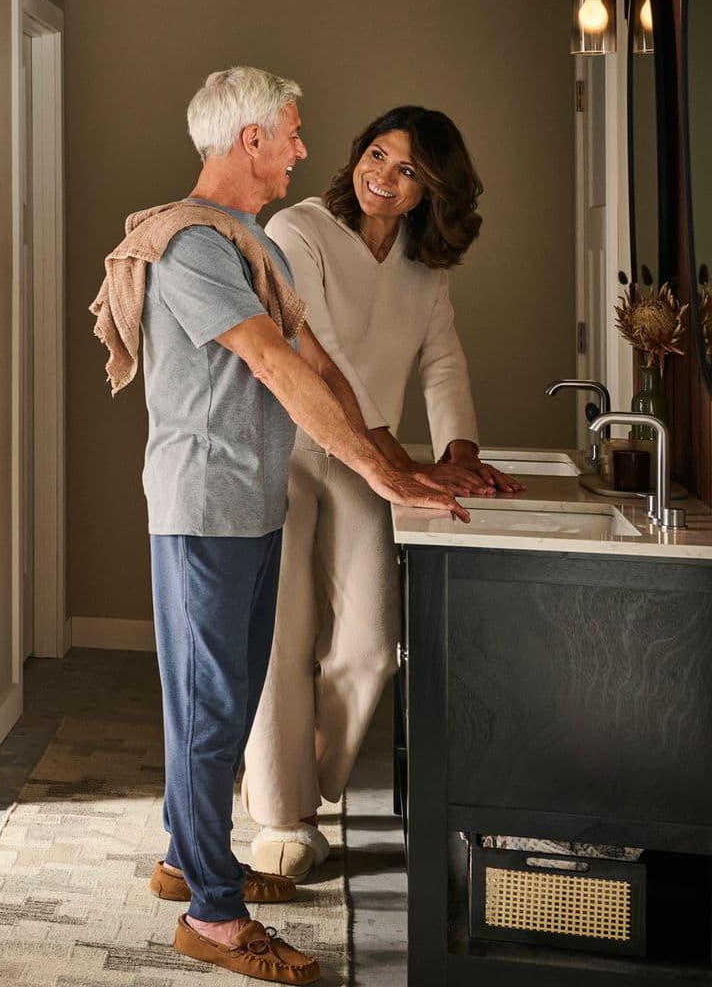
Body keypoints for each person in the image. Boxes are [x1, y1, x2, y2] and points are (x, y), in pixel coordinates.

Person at [92, 67, 466, 985]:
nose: (306, 149)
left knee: (226, 694)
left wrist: (395, 465)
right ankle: (214, 919)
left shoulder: (252, 241)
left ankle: (188, 862)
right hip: (204, 507)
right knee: (211, 705)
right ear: (247, 140)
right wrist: (381, 471)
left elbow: (317, 360)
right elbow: (272, 366)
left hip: (250, 506)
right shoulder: (190, 247)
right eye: (290, 134)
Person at [242, 106, 520, 880]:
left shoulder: (422, 269)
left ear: (432, 190)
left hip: (371, 460)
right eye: (376, 155)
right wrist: (402, 464)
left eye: (407, 171)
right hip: (291, 446)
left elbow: (443, 361)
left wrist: (460, 453)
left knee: (369, 644)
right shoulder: (299, 229)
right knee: (281, 636)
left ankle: (308, 779)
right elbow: (322, 355)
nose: (383, 178)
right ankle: (283, 813)